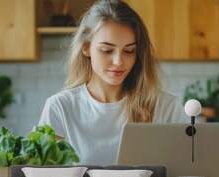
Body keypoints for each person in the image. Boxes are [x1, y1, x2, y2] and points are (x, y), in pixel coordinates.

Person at [39, 0, 187, 165]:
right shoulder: (60, 108)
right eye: (107, 50)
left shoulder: (166, 107)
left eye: (129, 51)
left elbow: (185, 172)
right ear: (86, 47)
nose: (118, 61)